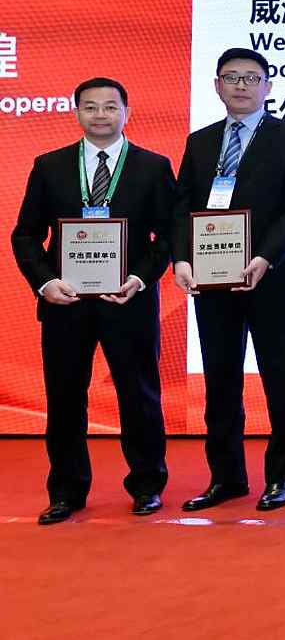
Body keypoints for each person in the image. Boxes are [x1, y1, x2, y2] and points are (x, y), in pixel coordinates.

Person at [12, 78, 176, 525]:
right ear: (76, 113)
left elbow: (168, 236)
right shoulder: (49, 166)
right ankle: (66, 491)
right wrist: (46, 283)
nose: (100, 115)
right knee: (65, 398)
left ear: (127, 112)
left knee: (139, 395)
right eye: (90, 107)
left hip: (128, 300)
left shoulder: (152, 166)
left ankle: (147, 485)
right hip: (66, 302)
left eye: (109, 106)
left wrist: (139, 279)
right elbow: (25, 235)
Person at [171, 48, 285, 513]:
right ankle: (226, 478)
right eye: (231, 77)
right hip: (211, 280)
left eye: (251, 78)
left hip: (269, 277)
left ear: (268, 86)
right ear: (217, 85)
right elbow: (182, 205)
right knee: (221, 380)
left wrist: (265, 257)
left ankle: (280, 477)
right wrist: (181, 259)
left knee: (279, 379)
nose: (241, 86)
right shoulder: (200, 141)